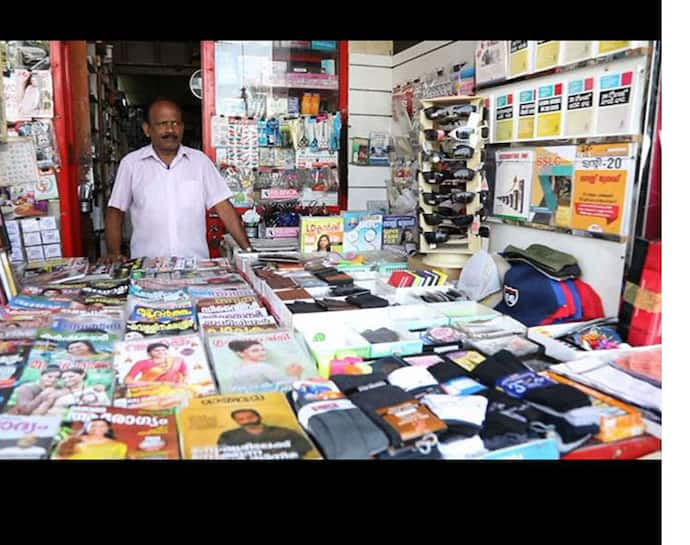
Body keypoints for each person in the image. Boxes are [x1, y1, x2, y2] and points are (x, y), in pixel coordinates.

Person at [105, 97, 251, 261]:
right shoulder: (131, 164)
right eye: (162, 124)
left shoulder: (200, 162)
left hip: (195, 267)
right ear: (147, 129)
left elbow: (223, 207)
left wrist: (249, 251)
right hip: (147, 268)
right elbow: (115, 211)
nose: (170, 130)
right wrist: (113, 254)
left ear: (182, 127)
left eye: (176, 123)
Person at [216, 409, 315, 460]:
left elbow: (304, 448)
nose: (247, 420)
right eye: (241, 419)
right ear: (236, 421)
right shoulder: (228, 436)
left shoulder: (286, 432)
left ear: (259, 417)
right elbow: (226, 454)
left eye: (250, 417)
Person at [227, 339, 303, 389]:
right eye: (255, 350)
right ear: (241, 354)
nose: (262, 353)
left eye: (263, 350)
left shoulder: (238, 370)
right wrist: (294, 375)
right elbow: (290, 387)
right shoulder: (263, 367)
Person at [55, 418, 128, 460]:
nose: (97, 428)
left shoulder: (119, 446)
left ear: (107, 429)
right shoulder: (71, 441)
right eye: (93, 425)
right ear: (87, 428)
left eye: (102, 426)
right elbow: (60, 457)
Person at [124, 342, 188, 385]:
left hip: (176, 389)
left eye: (164, 350)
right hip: (151, 390)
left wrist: (180, 385)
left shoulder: (177, 360)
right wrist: (155, 384)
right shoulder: (141, 363)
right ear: (149, 353)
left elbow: (185, 375)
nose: (161, 352)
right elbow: (127, 381)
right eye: (156, 350)